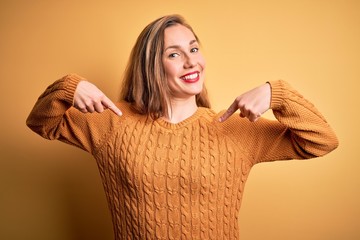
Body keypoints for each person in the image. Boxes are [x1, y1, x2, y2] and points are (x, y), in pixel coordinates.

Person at [26, 14, 338, 239]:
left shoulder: (233, 129)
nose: (191, 61)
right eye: (174, 54)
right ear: (151, 66)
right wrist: (69, 88)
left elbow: (322, 140)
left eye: (194, 48)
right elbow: (41, 122)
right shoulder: (112, 122)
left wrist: (277, 93)